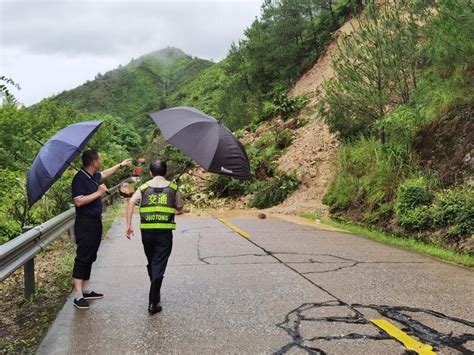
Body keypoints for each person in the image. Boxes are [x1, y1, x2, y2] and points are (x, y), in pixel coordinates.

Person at [71, 150, 132, 309]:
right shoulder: (79, 178)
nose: (101, 160)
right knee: (83, 256)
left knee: (91, 255)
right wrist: (98, 193)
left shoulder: (92, 176)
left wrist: (120, 165)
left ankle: (86, 289)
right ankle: (77, 295)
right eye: (99, 159)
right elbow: (78, 201)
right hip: (85, 223)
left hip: (95, 221)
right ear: (93, 162)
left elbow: (105, 173)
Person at [125, 159, 183, 315]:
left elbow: (131, 202)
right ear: (166, 172)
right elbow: (179, 208)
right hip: (164, 233)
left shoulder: (143, 188)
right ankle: (153, 302)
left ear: (150, 173)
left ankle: (155, 294)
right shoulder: (173, 187)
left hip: (147, 233)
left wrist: (129, 225)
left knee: (152, 262)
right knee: (158, 265)